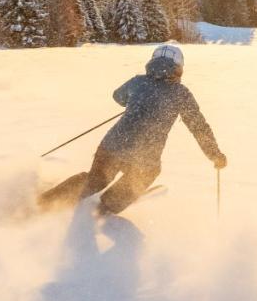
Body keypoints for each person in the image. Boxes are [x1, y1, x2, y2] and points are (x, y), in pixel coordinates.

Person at [42, 44, 227, 214]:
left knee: (96, 179)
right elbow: (199, 127)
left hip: (111, 146)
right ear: (179, 68)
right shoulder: (181, 94)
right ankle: (107, 205)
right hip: (144, 158)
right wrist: (215, 155)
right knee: (149, 172)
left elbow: (117, 96)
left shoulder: (138, 82)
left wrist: (134, 100)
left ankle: (44, 203)